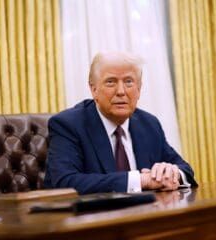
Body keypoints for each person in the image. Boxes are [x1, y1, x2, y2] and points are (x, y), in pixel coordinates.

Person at [44, 52, 197, 194]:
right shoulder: (67, 125)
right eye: (111, 82)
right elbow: (65, 183)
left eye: (129, 82)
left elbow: (186, 170)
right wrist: (140, 180)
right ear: (94, 89)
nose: (121, 91)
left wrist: (172, 173)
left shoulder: (149, 124)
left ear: (139, 89)